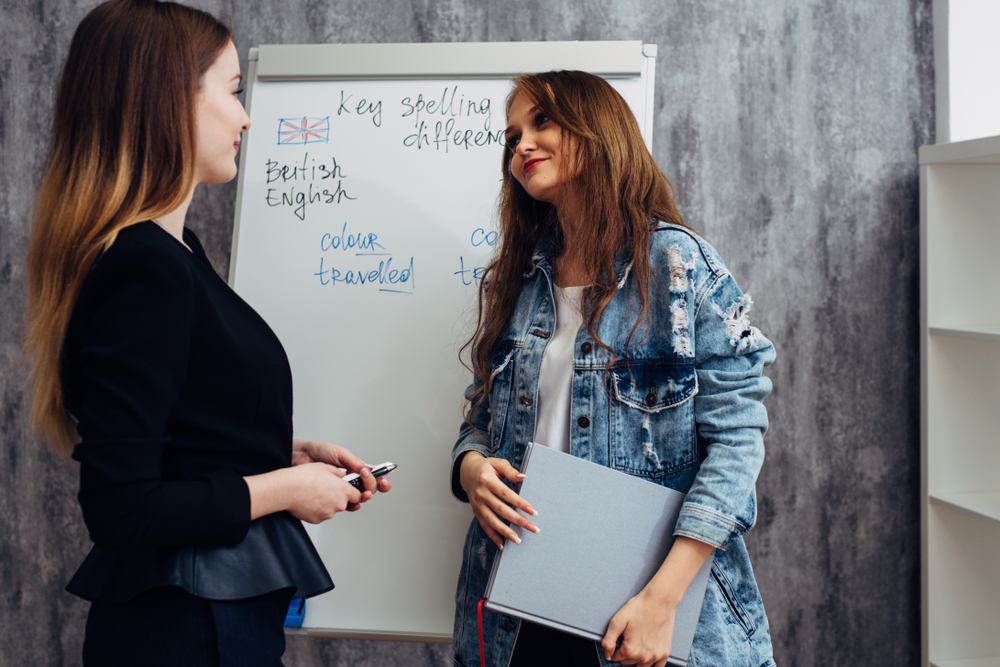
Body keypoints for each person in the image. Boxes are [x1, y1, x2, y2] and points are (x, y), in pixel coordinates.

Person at [24, 1, 389, 664]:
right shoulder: (145, 267)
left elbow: (179, 434)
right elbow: (124, 507)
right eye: (233, 93)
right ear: (169, 103)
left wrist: (282, 451)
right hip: (187, 632)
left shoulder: (176, 253)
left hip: (206, 624)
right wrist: (283, 488)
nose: (246, 116)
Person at [449, 70, 776, 667]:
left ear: (597, 129)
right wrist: (470, 468)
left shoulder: (678, 264)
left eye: (541, 121)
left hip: (648, 609)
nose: (521, 144)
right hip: (516, 609)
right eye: (512, 134)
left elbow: (736, 443)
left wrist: (661, 599)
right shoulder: (515, 279)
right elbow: (480, 415)